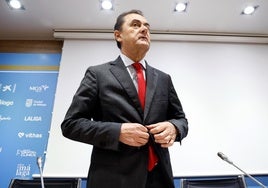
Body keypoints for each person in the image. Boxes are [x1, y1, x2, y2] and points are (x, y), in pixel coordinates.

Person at [61, 9, 188, 188]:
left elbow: (181, 119)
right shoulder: (98, 74)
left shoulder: (164, 78)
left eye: (147, 27)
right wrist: (117, 132)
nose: (144, 29)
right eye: (136, 25)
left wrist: (174, 128)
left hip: (160, 178)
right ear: (118, 35)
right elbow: (71, 124)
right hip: (113, 179)